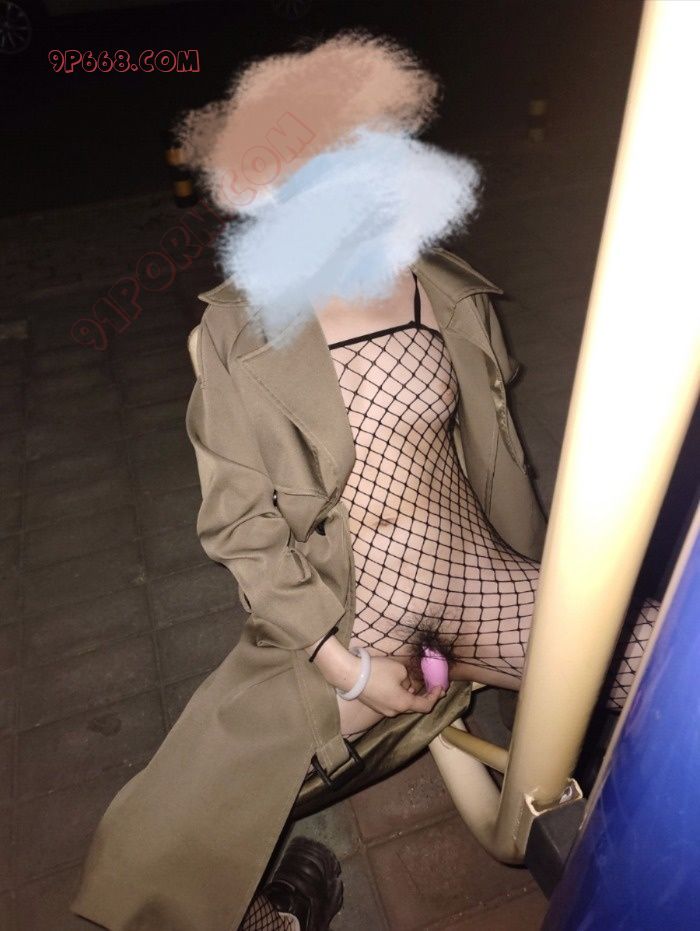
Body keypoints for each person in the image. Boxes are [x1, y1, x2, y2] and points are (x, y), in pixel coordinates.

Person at [70, 32, 659, 931]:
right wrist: (347, 673)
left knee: (666, 660)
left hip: (474, 586)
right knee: (160, 833)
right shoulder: (238, 329)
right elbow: (241, 528)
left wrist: (544, 563)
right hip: (350, 617)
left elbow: (498, 453)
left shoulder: (443, 289)